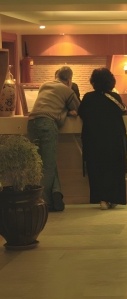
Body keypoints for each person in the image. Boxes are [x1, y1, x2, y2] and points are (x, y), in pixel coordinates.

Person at [27, 66, 80, 211]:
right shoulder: (67, 90)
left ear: (56, 76)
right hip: (47, 124)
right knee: (48, 166)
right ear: (69, 80)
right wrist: (68, 111)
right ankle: (42, 204)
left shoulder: (44, 85)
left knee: (41, 164)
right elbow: (78, 109)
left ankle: (55, 196)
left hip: (31, 123)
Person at [78, 67, 127, 210]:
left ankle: (102, 199)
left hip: (94, 140)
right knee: (114, 168)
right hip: (114, 139)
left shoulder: (88, 97)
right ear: (111, 81)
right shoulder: (114, 97)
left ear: (93, 82)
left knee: (97, 168)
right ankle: (114, 198)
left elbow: (81, 113)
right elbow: (125, 110)